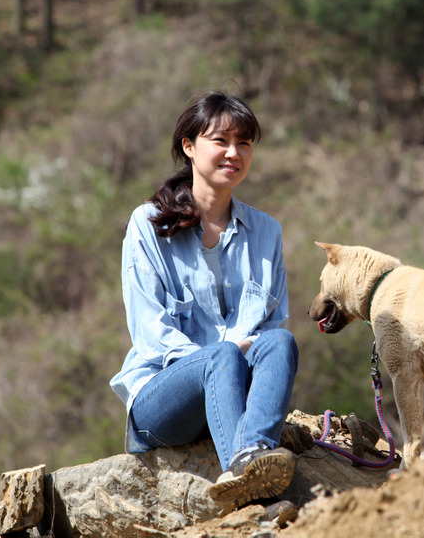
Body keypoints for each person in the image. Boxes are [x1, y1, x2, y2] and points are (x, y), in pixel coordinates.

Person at [110, 90, 299, 510]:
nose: (235, 153)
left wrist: (237, 357)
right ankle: (249, 494)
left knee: (281, 342)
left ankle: (252, 454)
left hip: (233, 388)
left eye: (245, 143)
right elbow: (150, 333)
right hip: (163, 397)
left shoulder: (267, 232)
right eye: (222, 141)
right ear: (189, 147)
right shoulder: (147, 224)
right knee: (223, 356)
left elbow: (272, 327)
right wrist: (225, 354)